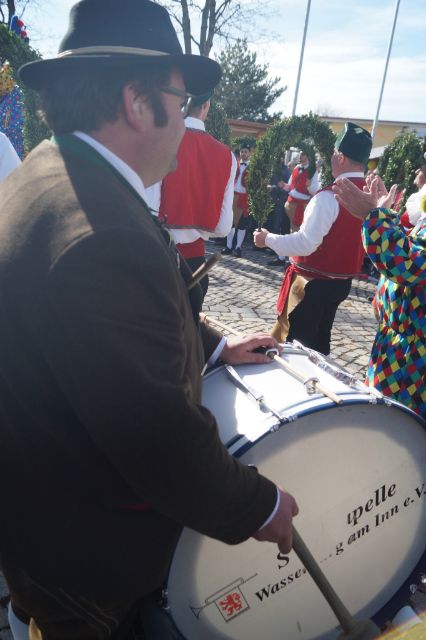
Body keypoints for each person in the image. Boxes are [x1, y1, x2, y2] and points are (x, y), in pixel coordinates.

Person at [0, 1, 298, 639]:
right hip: (85, 569)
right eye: (179, 99)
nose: (186, 123)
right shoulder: (103, 232)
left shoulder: (49, 171)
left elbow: (106, 335)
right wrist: (261, 504)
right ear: (137, 103)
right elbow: (158, 439)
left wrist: (212, 346)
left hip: (43, 523)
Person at [253, 122, 372, 356]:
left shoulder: (329, 196)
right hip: (341, 283)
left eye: (335, 153)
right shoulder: (370, 196)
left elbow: (306, 243)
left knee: (296, 348)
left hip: (311, 283)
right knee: (319, 342)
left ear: (341, 157)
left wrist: (267, 239)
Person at [332, 174, 426, 419]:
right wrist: (384, 214)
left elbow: (407, 263)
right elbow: (413, 248)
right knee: (386, 417)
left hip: (416, 361)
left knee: (400, 424)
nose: (418, 177)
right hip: (400, 348)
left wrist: (374, 216)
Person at [149, 90, 236, 299]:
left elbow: (149, 211)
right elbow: (223, 227)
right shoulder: (227, 156)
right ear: (206, 106)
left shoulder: (160, 142)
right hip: (196, 267)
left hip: (160, 260)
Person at [222, 145, 251, 257]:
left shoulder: (252, 167)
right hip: (233, 195)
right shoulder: (235, 164)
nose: (243, 153)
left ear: (249, 153)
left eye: (245, 152)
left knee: (242, 223)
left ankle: (238, 247)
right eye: (242, 151)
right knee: (231, 222)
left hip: (244, 197)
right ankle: (229, 246)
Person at [282, 150, 318, 232]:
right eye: (300, 154)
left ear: (308, 156)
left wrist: (309, 185)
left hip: (301, 206)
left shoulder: (312, 170)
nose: (300, 156)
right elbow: (290, 186)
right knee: (288, 228)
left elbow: (314, 191)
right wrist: (283, 185)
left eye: (303, 154)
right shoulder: (296, 168)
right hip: (289, 203)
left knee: (296, 230)